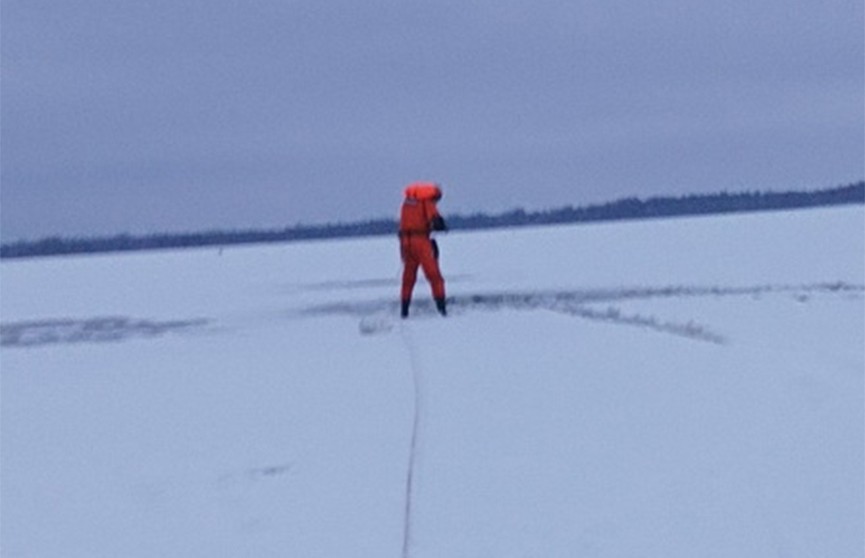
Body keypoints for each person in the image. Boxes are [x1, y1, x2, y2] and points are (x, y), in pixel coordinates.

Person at [399, 181, 447, 318]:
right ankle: (442, 309)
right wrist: (442, 225)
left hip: (405, 242)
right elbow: (436, 222)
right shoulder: (427, 203)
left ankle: (404, 311)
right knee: (435, 277)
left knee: (408, 278)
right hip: (421, 242)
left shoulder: (407, 203)